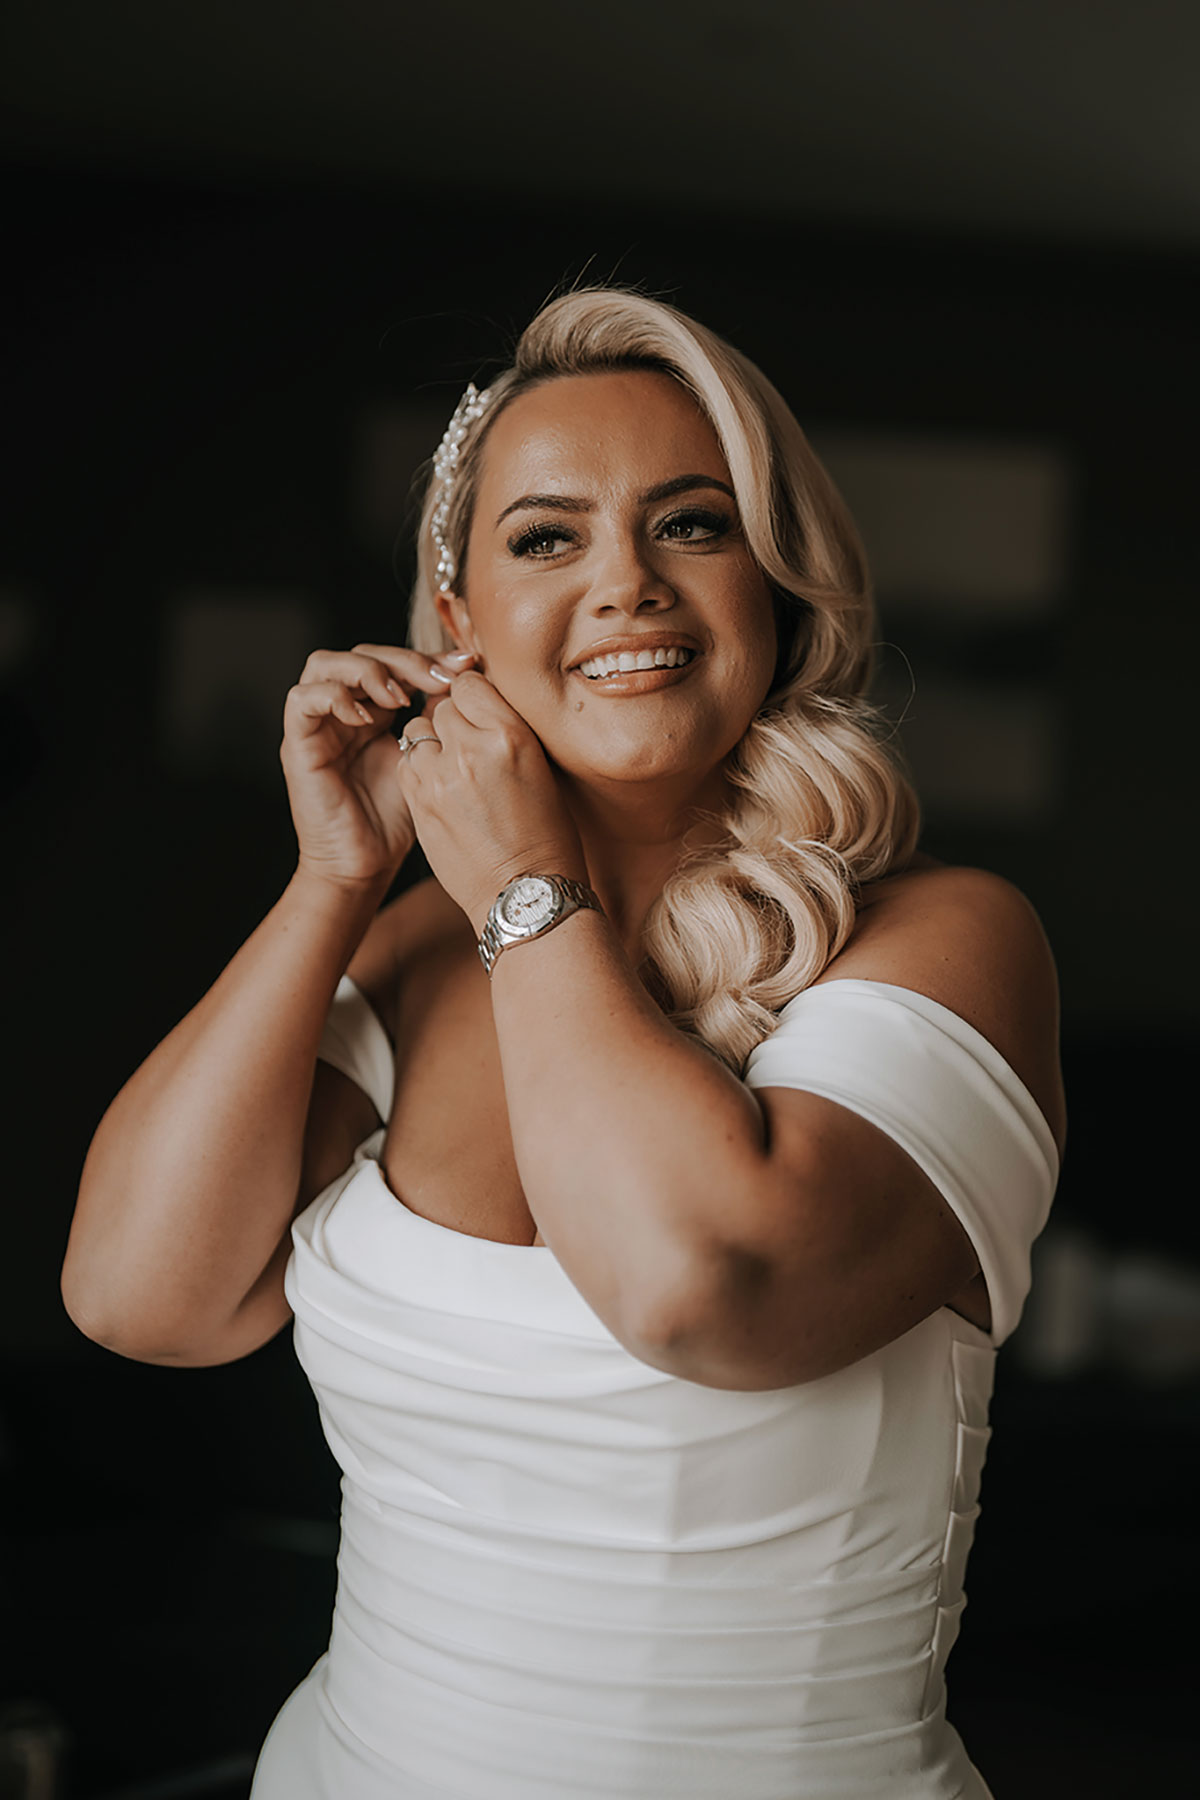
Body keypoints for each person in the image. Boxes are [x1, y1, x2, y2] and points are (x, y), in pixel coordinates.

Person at [62, 286, 1065, 1799]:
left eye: (693, 525)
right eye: (547, 538)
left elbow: (694, 1291)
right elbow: (141, 1298)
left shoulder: (944, 940)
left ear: (781, 587)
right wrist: (335, 884)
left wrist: (529, 896)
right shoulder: (402, 957)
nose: (627, 588)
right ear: (458, 617)